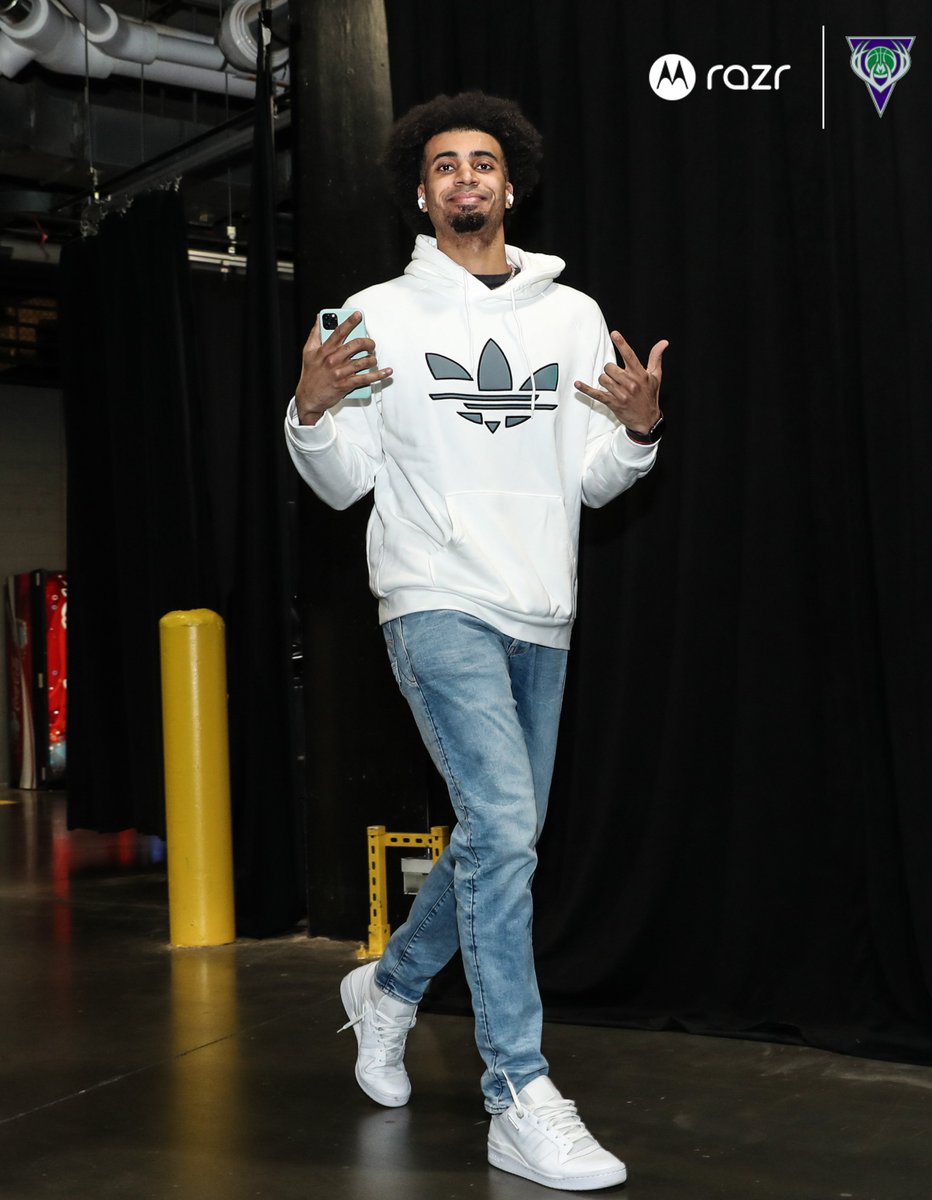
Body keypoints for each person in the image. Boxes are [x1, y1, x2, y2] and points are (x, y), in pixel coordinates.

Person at [285, 91, 667, 1192]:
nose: (466, 178)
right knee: (503, 826)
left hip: (540, 605)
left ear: (511, 185)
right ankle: (517, 1093)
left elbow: (592, 479)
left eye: (483, 163)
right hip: (432, 594)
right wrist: (309, 411)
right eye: (445, 164)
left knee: (502, 836)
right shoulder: (374, 314)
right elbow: (343, 481)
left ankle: (390, 988)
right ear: (421, 192)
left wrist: (638, 432)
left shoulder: (570, 314)